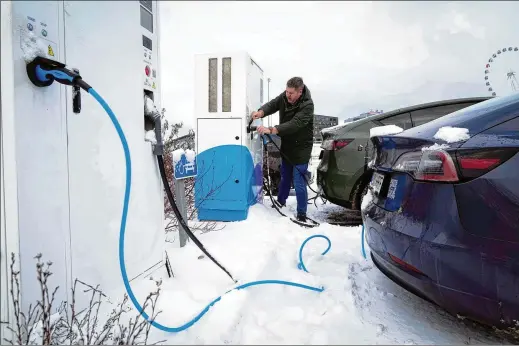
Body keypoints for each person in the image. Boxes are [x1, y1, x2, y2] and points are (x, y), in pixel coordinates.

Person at [251, 77, 314, 223]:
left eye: (291, 93)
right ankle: (281, 200)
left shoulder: (308, 105)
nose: (288, 95)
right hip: (288, 144)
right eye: (286, 92)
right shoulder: (285, 97)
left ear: (300, 91)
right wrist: (261, 112)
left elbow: (295, 123)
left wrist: (272, 130)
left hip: (301, 148)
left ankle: (302, 213)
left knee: (299, 181)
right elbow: (273, 104)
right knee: (285, 175)